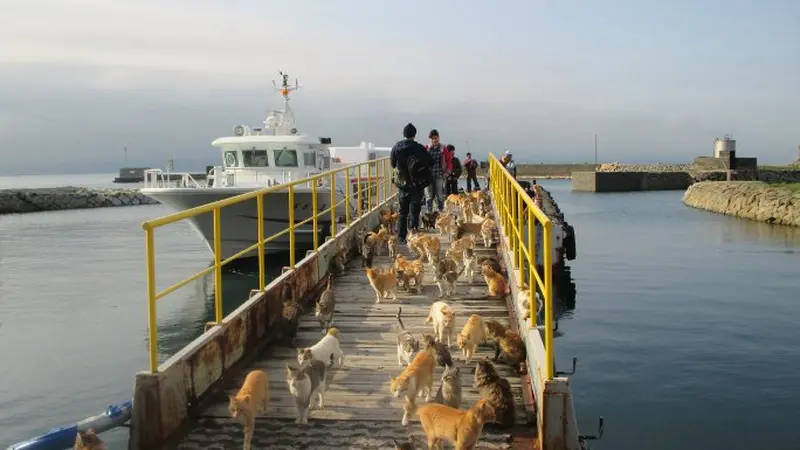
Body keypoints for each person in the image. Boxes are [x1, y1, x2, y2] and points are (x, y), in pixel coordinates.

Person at [390, 123, 434, 243]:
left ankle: (401, 237)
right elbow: (431, 162)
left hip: (403, 185)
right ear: (414, 135)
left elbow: (393, 164)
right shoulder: (419, 147)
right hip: (416, 184)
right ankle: (414, 236)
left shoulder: (396, 147)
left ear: (403, 134)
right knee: (415, 211)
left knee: (403, 212)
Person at [424, 129, 449, 212]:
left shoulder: (443, 148)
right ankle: (429, 212)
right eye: (433, 138)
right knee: (429, 195)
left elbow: (449, 160)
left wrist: (447, 172)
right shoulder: (426, 148)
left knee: (440, 195)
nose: (435, 140)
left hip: (439, 174)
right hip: (428, 176)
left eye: (436, 138)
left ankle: (441, 211)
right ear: (430, 139)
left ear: (439, 138)